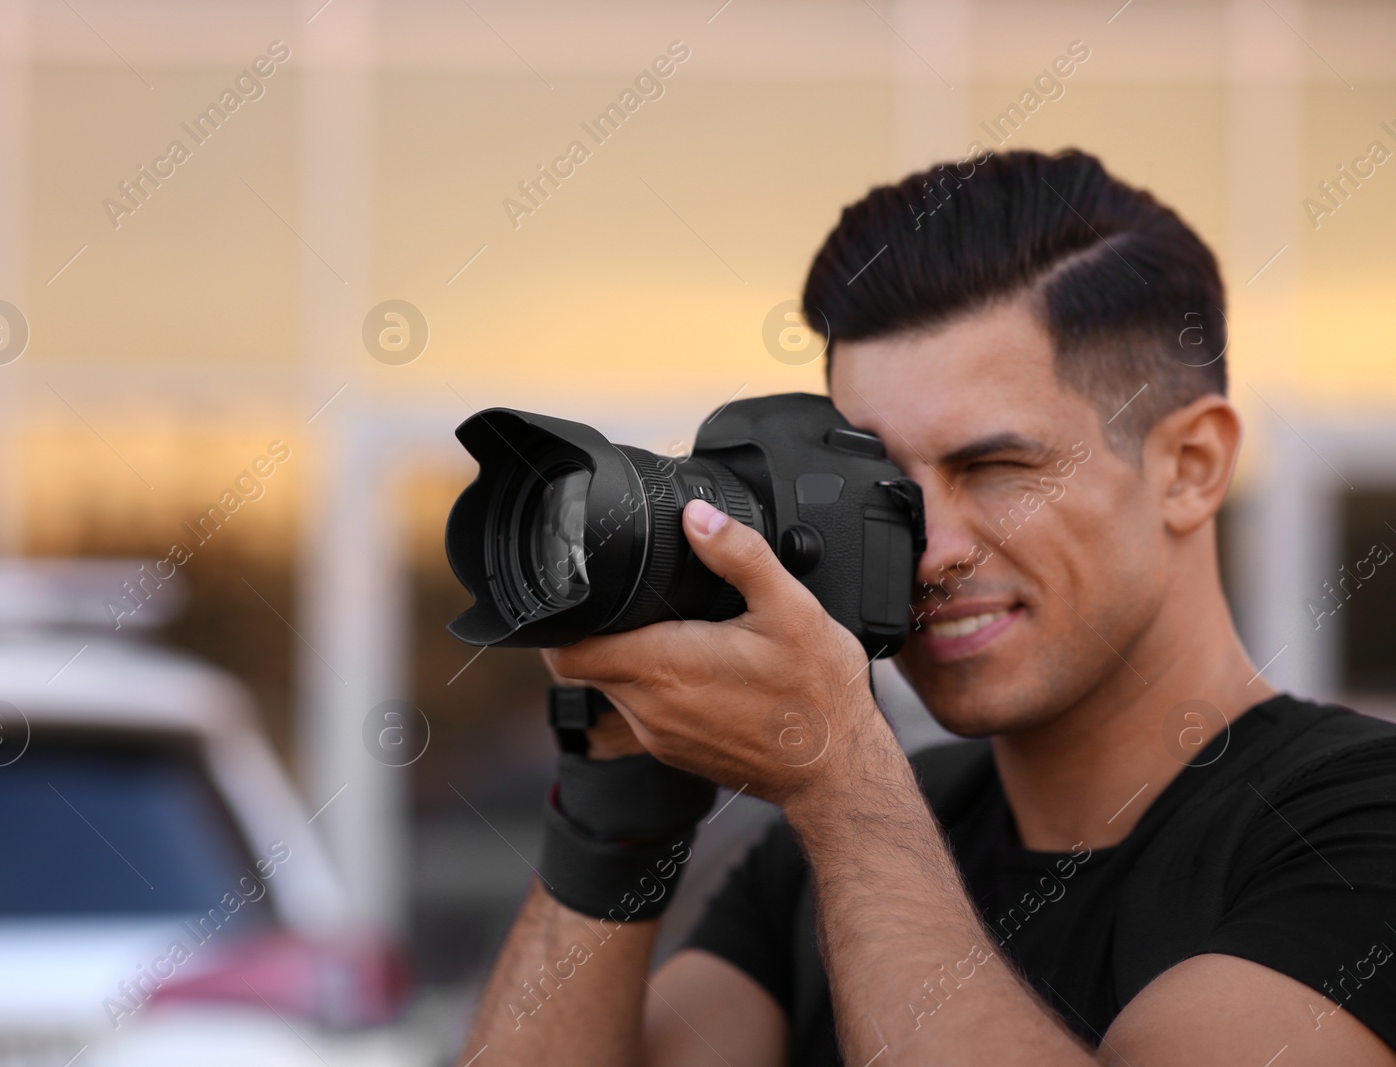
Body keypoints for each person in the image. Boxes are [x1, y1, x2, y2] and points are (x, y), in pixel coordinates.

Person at [458, 149, 1396, 1065]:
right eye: (884, 491)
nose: (931, 550)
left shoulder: (1359, 820)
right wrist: (620, 797)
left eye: (995, 468)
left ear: (1190, 468)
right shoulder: (827, 852)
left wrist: (842, 783)